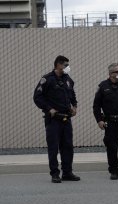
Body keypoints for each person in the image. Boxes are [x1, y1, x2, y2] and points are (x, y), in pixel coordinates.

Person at [33, 55, 80, 183]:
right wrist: (49, 109)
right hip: (53, 120)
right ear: (58, 65)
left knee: (68, 146)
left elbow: (72, 95)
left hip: (66, 119)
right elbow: (37, 97)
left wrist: (74, 106)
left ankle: (67, 172)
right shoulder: (47, 79)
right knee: (53, 147)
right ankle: (55, 173)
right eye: (65, 65)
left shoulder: (68, 80)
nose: (67, 67)